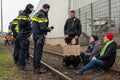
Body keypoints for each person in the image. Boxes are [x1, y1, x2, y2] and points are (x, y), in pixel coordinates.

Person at [32, 4, 53, 74]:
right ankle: (37, 69)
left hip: (35, 34)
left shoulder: (36, 14)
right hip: (39, 36)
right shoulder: (42, 15)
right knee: (38, 52)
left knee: (36, 51)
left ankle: (35, 67)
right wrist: (49, 29)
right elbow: (43, 27)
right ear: (47, 9)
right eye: (48, 10)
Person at [17, 4, 34, 70]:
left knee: (24, 50)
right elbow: (21, 24)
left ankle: (22, 64)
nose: (31, 11)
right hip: (23, 34)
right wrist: (28, 21)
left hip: (25, 34)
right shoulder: (23, 14)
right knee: (23, 50)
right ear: (29, 8)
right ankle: (22, 65)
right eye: (31, 9)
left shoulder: (26, 15)